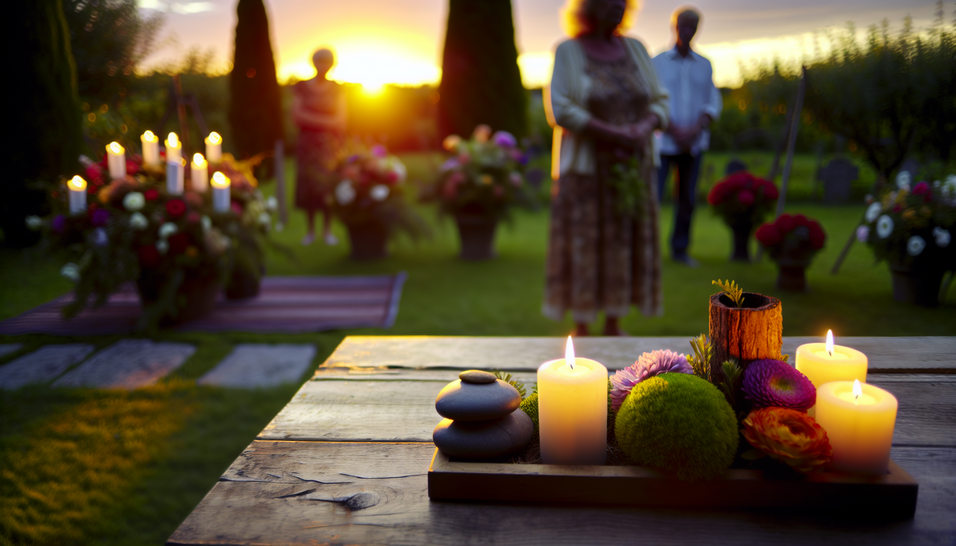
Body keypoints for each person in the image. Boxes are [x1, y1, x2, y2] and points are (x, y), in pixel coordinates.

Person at [542, 0, 670, 337]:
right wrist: (612, 134)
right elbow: (561, 109)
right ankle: (582, 324)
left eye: (621, 1)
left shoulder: (636, 48)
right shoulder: (569, 51)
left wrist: (642, 128)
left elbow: (660, 100)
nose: (616, 6)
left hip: (632, 168)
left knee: (622, 242)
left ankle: (614, 321)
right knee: (586, 242)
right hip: (586, 172)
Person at [652, 6, 722, 267]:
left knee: (687, 200)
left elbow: (713, 100)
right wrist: (673, 128)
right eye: (683, 25)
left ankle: (680, 250)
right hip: (663, 143)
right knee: (653, 198)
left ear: (697, 29)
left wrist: (695, 128)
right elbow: (651, 99)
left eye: (693, 26)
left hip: (693, 145)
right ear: (675, 26)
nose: (688, 30)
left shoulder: (705, 65)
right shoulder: (657, 62)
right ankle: (648, 251)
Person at [292, 48, 347, 246]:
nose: (323, 65)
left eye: (327, 61)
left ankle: (327, 231)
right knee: (307, 185)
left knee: (326, 185)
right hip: (307, 145)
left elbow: (341, 120)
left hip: (328, 147)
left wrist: (312, 119)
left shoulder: (337, 89)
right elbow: (296, 116)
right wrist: (327, 121)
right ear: (313, 62)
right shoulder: (302, 87)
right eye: (320, 61)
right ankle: (310, 231)